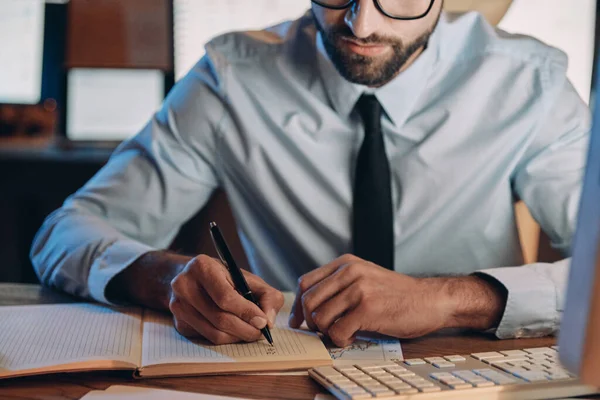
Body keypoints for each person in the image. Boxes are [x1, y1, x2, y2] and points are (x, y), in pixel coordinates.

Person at [31, 0, 589, 347]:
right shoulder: (231, 79)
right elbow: (66, 232)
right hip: (286, 377)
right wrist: (163, 277)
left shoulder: (528, 83)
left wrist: (445, 298)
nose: (361, 23)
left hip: (471, 374)